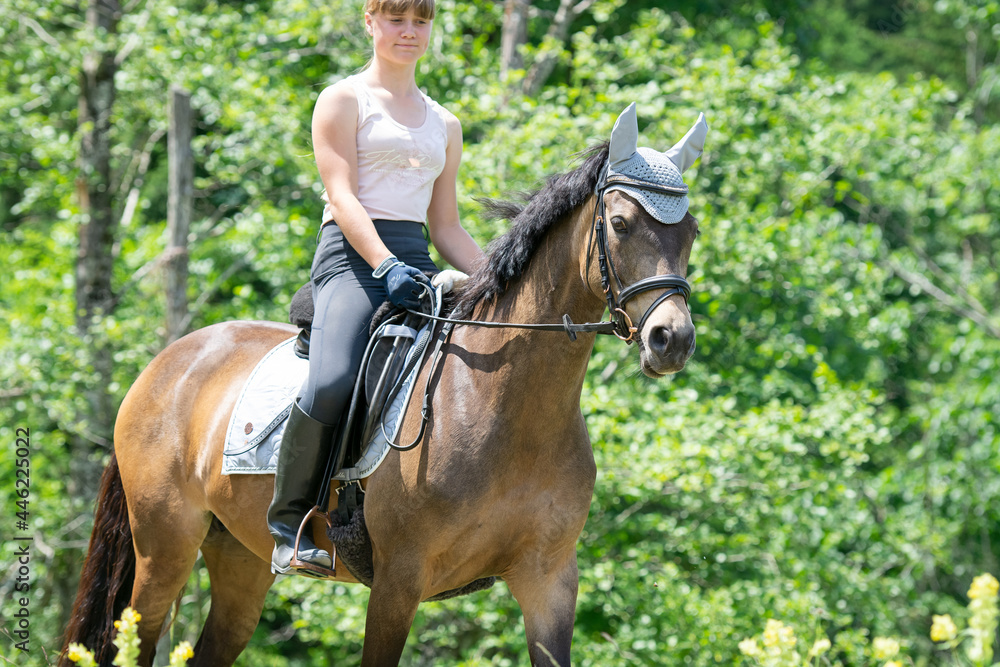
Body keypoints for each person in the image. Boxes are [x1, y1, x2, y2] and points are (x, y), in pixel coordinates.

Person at [268, 0, 485, 577]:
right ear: (370, 22)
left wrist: (496, 277)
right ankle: (291, 524)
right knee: (335, 379)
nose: (409, 32)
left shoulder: (445, 123)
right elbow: (341, 196)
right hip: (350, 258)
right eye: (396, 19)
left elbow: (446, 228)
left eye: (420, 21)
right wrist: (384, 264)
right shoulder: (343, 100)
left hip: (415, 260)